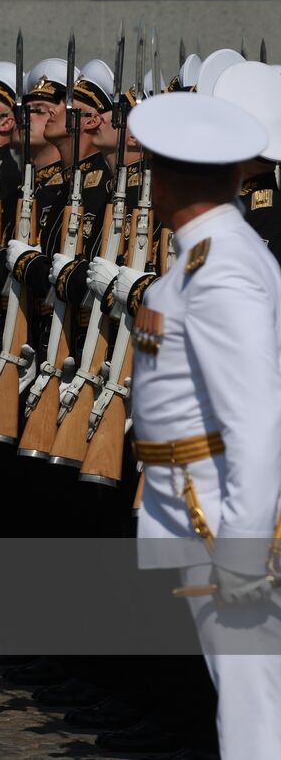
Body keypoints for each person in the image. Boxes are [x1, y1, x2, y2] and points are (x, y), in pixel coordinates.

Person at [115, 92, 281, 759]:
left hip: (214, 503)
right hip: (188, 493)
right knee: (244, 685)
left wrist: (242, 545)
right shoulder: (201, 258)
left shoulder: (223, 269)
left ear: (163, 178)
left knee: (251, 698)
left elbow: (258, 415)